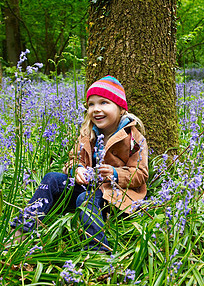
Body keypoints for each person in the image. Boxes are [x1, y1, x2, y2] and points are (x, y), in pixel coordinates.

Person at [10, 76, 149, 252]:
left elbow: (141, 174)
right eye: (91, 104)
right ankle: (22, 230)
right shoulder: (87, 133)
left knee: (85, 200)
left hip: (114, 196)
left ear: (121, 108)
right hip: (87, 187)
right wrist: (77, 169)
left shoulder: (134, 139)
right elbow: (74, 159)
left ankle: (98, 250)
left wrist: (115, 174)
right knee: (51, 178)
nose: (96, 109)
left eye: (104, 103)